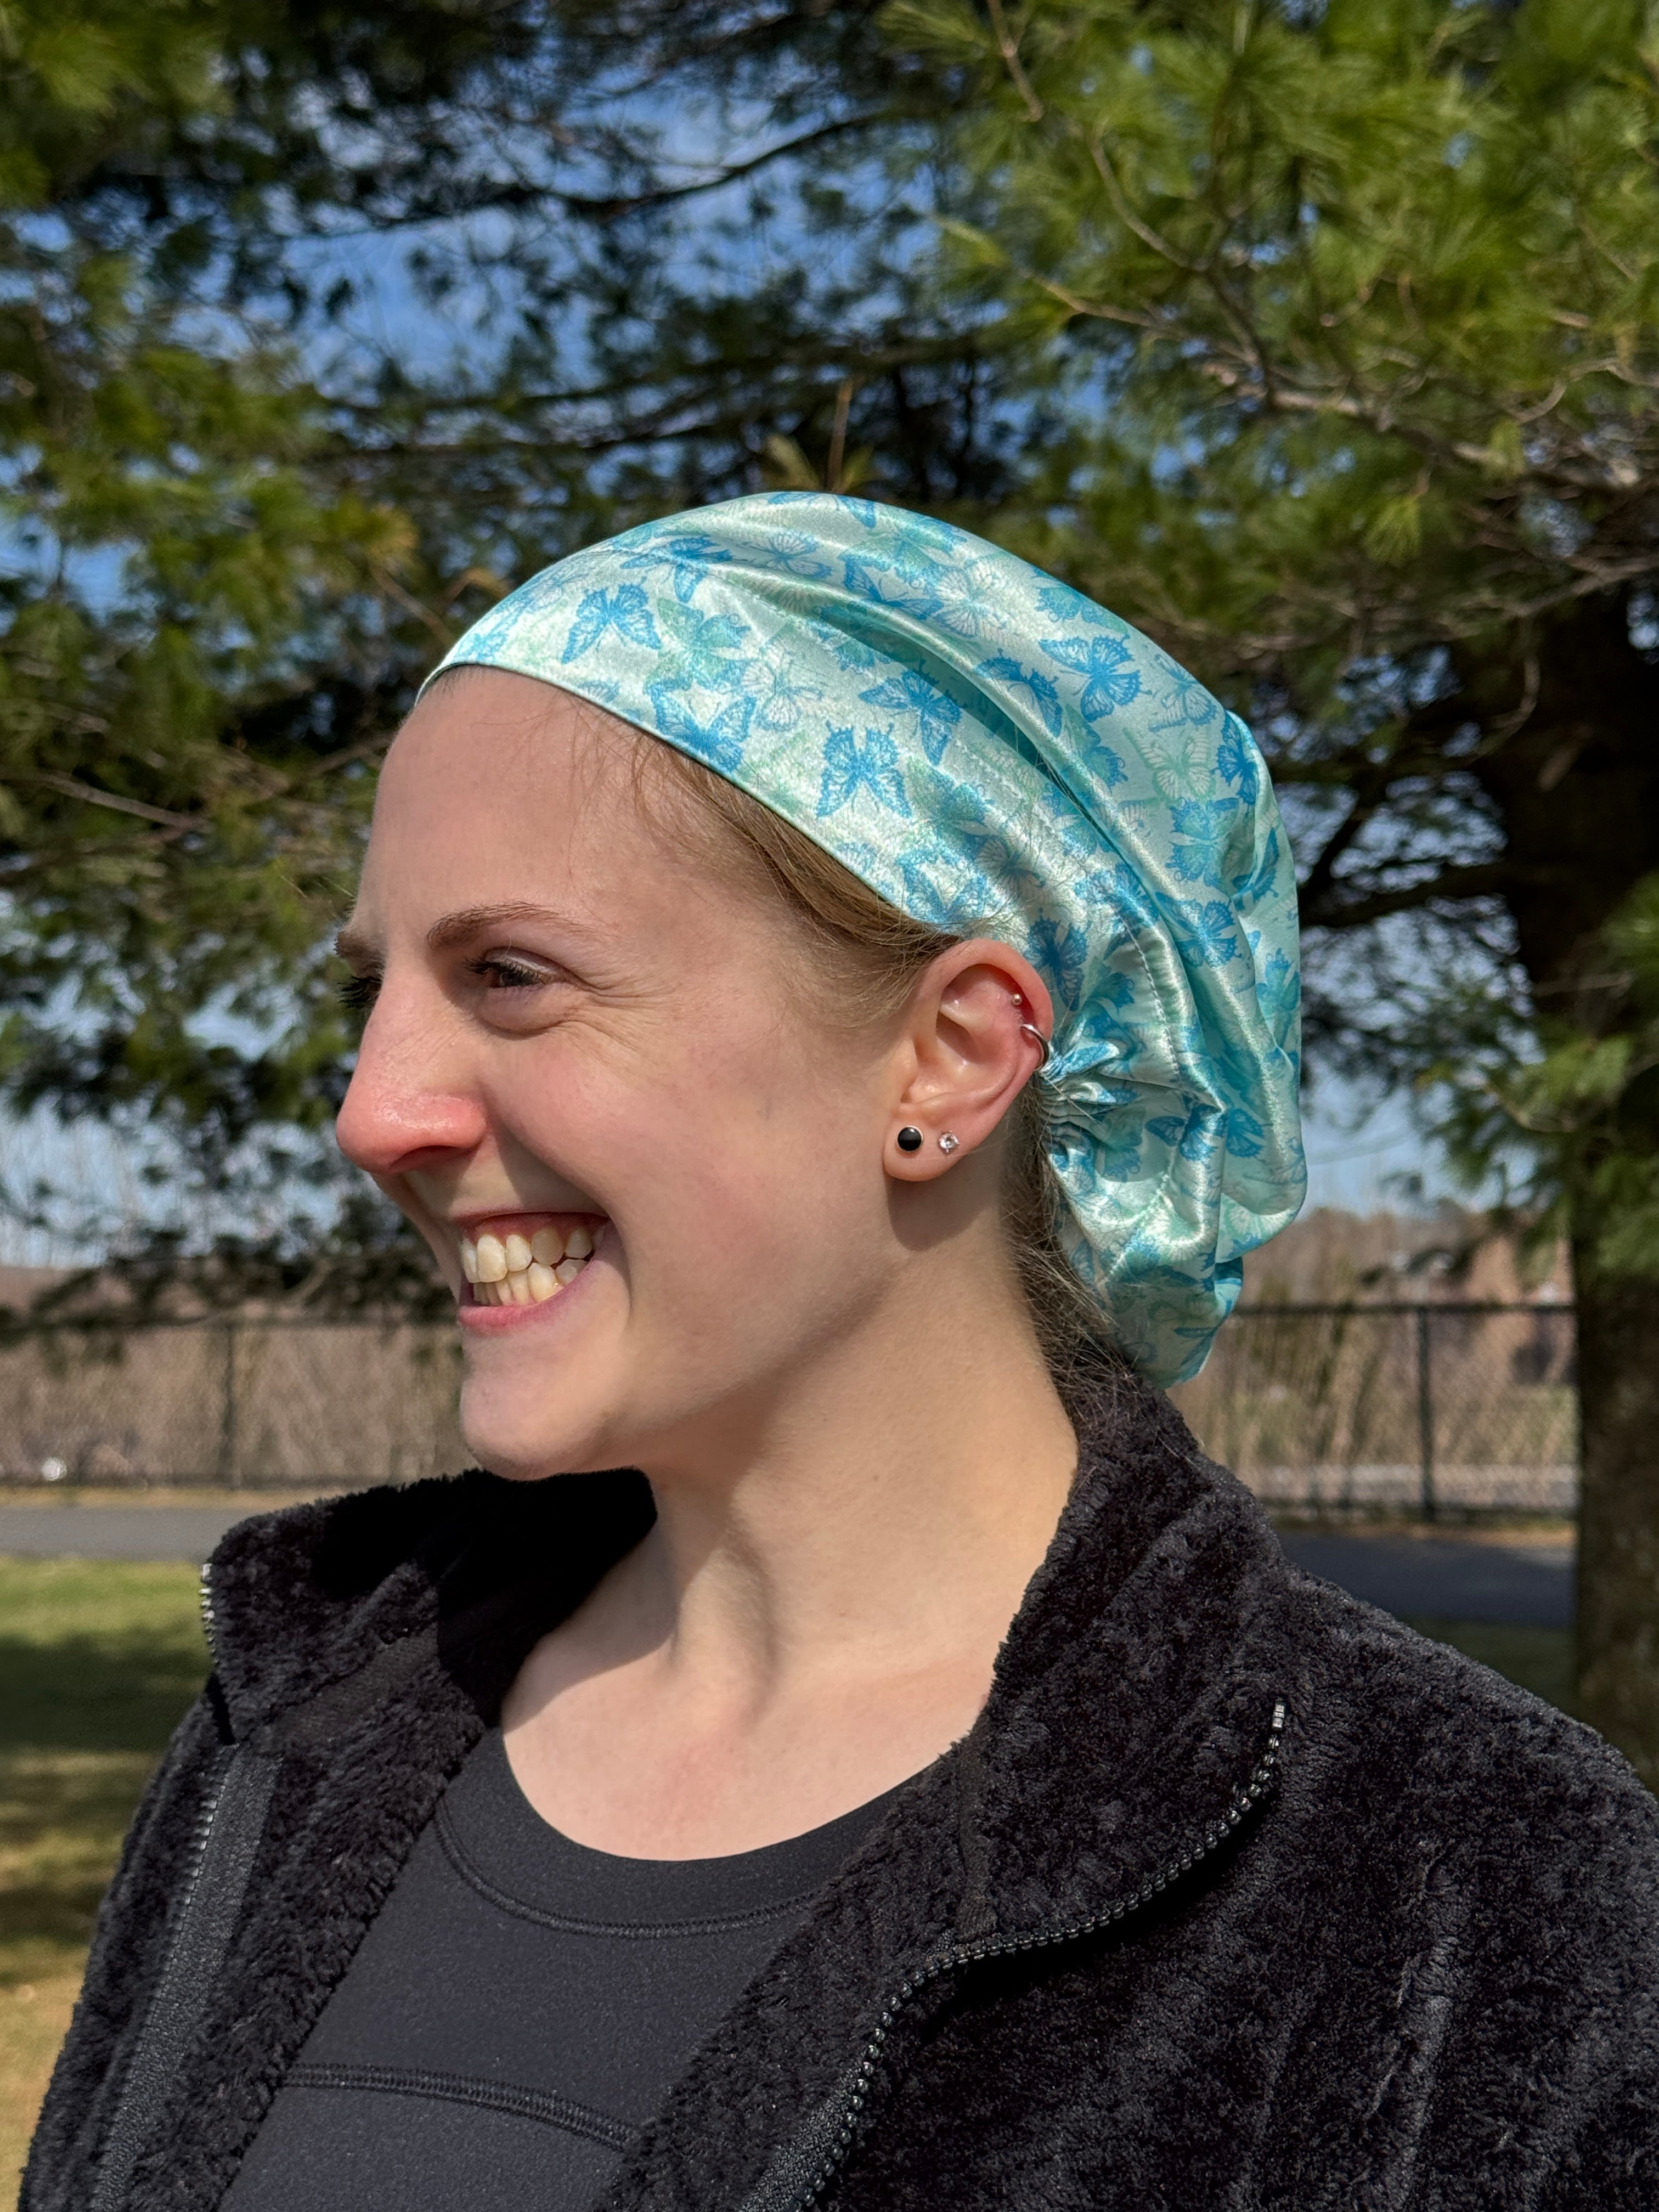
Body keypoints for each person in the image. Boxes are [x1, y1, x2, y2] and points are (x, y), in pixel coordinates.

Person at [23, 496, 1659, 2212]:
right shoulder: (290, 1720)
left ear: (951, 1057)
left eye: (509, 974)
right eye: (370, 993)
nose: (373, 1112)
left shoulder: (1462, 1891)